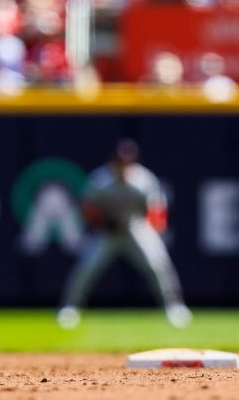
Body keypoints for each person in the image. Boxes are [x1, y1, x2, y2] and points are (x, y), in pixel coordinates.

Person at [56, 139, 192, 329]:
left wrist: (154, 230)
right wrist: (101, 223)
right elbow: (86, 208)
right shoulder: (101, 180)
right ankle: (69, 308)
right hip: (108, 231)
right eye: (121, 160)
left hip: (136, 227)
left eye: (128, 160)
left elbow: (156, 211)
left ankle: (174, 307)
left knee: (157, 264)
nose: (124, 164)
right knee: (87, 268)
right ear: (114, 161)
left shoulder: (143, 180)